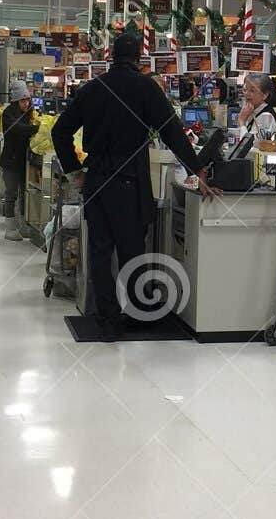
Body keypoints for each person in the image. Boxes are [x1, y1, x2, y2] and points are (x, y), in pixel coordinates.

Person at [51, 31, 218, 339]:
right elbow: (171, 132)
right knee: (131, 250)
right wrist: (196, 168)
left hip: (97, 178)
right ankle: (137, 313)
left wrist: (75, 172)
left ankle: (106, 318)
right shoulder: (145, 88)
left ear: (112, 56)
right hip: (129, 180)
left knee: (99, 250)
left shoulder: (92, 88)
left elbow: (59, 132)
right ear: (140, 58)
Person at [0, 82, 36, 241]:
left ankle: (23, 225)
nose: (26, 103)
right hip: (10, 160)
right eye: (23, 101)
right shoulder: (8, 113)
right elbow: (18, 128)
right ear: (15, 101)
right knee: (11, 193)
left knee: (24, 193)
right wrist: (38, 129)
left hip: (25, 161)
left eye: (27, 100)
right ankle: (10, 228)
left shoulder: (30, 113)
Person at [231, 72, 276, 155]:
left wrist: (241, 121)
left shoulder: (266, 116)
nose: (247, 94)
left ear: (265, 95)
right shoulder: (252, 111)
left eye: (252, 90)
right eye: (245, 89)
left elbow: (247, 147)